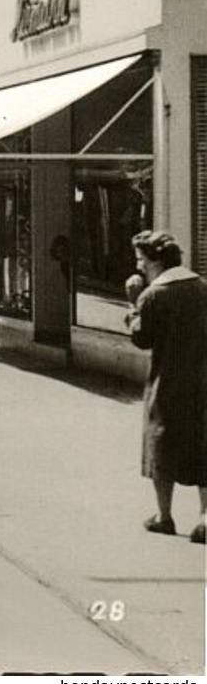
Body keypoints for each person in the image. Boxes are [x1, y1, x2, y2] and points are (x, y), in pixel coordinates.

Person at [125, 230, 207, 544]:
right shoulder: (201, 287)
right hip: (202, 380)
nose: (139, 266)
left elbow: (142, 339)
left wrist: (133, 306)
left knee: (160, 445)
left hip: (167, 382)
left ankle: (164, 516)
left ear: (156, 259)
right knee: (203, 446)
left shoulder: (153, 295)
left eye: (141, 259)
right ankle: (204, 516)